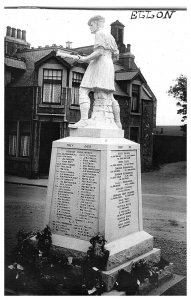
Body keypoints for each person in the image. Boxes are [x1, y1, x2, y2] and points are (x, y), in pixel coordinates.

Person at [58, 15, 122, 128]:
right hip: (109, 65)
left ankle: (84, 120)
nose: (90, 28)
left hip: (100, 63)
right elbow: (116, 56)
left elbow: (99, 52)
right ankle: (118, 123)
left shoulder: (99, 33)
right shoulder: (111, 36)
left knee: (83, 90)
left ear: (97, 23)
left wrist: (85, 59)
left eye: (91, 25)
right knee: (110, 95)